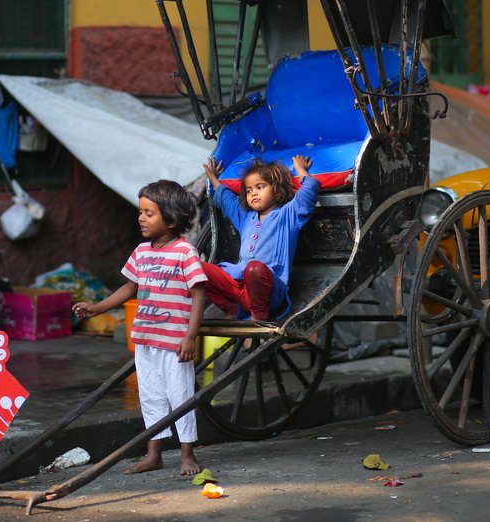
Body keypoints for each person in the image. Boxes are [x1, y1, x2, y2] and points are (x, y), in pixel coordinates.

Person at [73, 180, 207, 476]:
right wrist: (97, 307)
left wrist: (190, 336)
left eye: (149, 213)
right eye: (140, 212)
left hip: (174, 342)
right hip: (146, 339)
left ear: (170, 221)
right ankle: (153, 454)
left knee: (180, 396)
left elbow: (198, 294)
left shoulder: (185, 252)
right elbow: (129, 287)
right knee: (151, 397)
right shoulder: (141, 252)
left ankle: (187, 455)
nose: (141, 218)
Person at [202, 155, 320, 322]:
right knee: (196, 268)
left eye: (260, 187)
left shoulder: (287, 215)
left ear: (276, 189)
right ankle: (231, 308)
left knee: (254, 269)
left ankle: (259, 315)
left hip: (270, 294)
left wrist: (300, 169)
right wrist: (213, 178)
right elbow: (227, 200)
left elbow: (309, 190)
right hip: (240, 290)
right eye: (249, 190)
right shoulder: (245, 217)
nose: (253, 193)